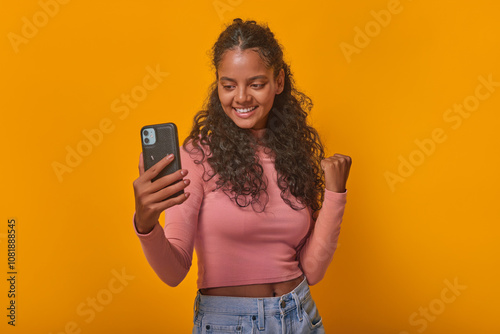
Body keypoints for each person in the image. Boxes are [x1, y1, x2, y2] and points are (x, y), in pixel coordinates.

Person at [132, 18, 352, 333]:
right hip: (227, 323)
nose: (241, 98)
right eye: (229, 85)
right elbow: (174, 272)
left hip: (300, 314)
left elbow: (313, 270)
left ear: (278, 81)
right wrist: (146, 223)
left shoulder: (295, 155)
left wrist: (335, 194)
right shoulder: (195, 157)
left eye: (256, 84)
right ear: (218, 85)